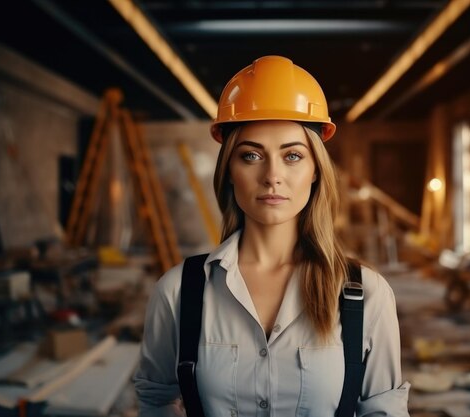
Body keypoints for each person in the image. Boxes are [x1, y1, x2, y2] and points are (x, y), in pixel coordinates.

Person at [134, 55, 410, 417]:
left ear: (315, 171)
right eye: (251, 155)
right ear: (229, 171)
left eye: (292, 156)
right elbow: (156, 402)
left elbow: (383, 412)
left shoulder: (367, 295)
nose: (272, 176)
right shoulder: (178, 291)